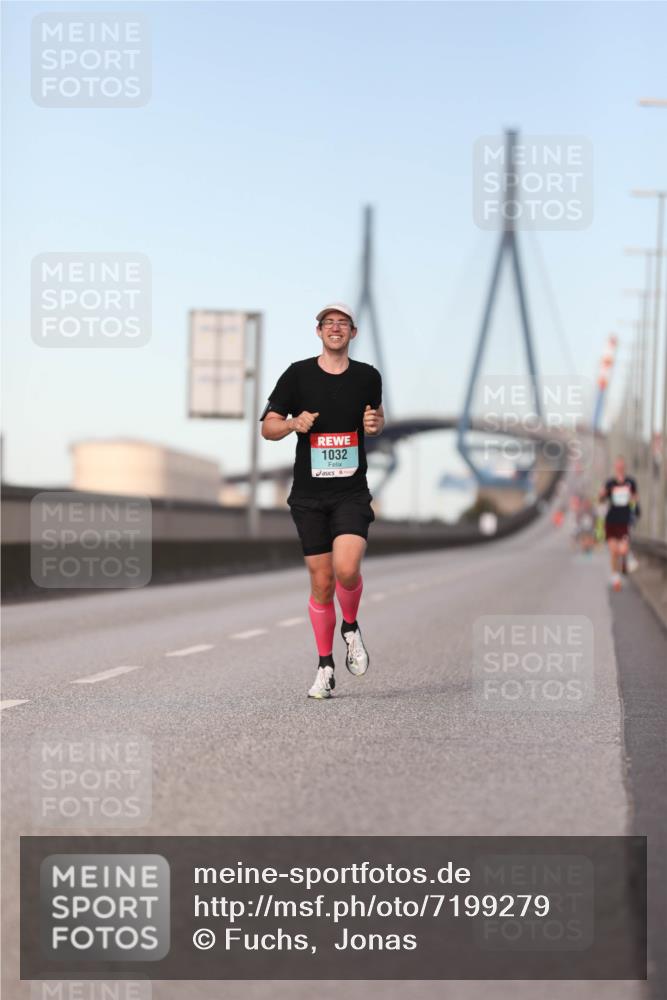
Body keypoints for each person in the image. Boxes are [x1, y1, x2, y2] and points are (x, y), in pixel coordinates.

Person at [261, 303, 384, 699]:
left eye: (342, 324)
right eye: (328, 323)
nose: (335, 328)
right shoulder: (297, 375)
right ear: (318, 332)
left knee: (347, 569)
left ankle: (351, 626)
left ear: (353, 333)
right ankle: (325, 665)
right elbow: (268, 427)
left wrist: (375, 424)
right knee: (321, 581)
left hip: (350, 491)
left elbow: (376, 418)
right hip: (309, 497)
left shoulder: (368, 377)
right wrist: (293, 424)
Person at [598, 456, 639, 591]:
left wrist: (634, 502)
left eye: (622, 465)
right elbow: (601, 500)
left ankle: (624, 564)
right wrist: (601, 495)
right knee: (614, 551)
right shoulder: (610, 483)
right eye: (618, 465)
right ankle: (616, 578)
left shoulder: (630, 482)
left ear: (624, 466)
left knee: (623, 550)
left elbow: (635, 501)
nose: (620, 467)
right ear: (615, 467)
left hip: (625, 520)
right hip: (611, 520)